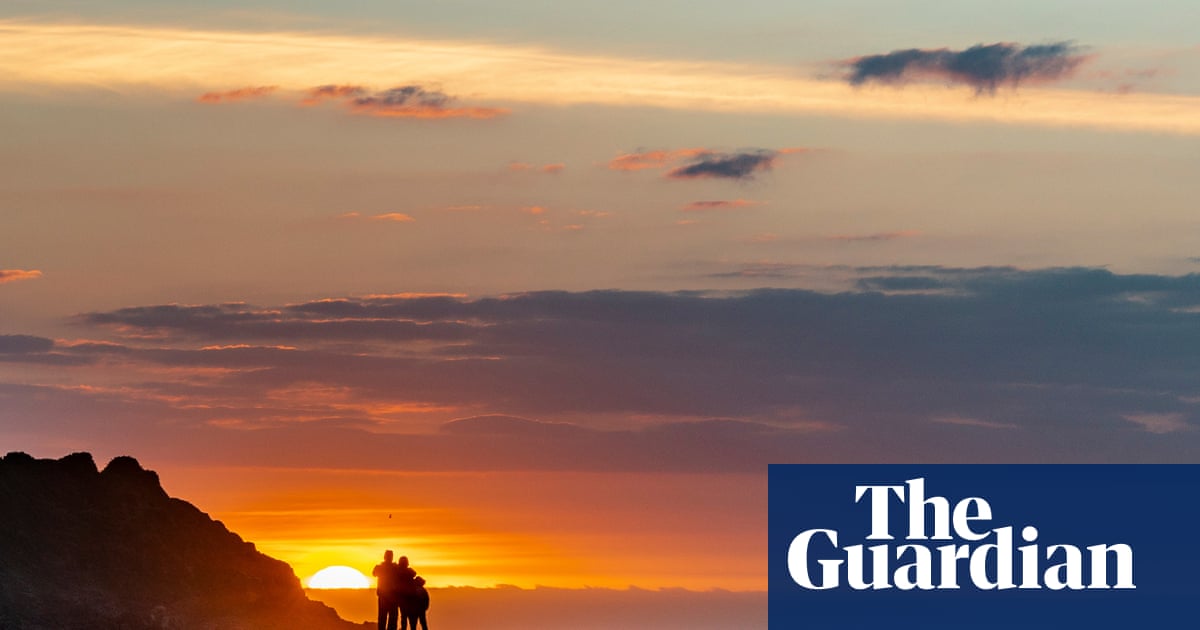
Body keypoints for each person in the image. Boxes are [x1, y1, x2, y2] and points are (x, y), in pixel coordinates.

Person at [372, 550, 401, 630]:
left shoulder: (382, 567)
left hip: (387, 597)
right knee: (390, 618)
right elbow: (374, 573)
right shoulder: (394, 568)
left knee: (384, 618)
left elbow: (374, 573)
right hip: (389, 596)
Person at [394, 556, 418, 629]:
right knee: (410, 617)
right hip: (409, 598)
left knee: (404, 616)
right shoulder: (409, 572)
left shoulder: (399, 572)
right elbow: (414, 573)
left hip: (404, 599)